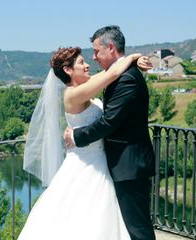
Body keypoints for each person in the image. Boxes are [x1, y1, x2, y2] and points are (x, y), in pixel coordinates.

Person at [18, 46, 151, 239]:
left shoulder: (85, 89)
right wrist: (132, 57)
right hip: (85, 164)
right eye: (81, 62)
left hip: (101, 161)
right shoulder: (72, 94)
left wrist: (136, 59)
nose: (88, 64)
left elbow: (110, 71)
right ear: (68, 70)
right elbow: (113, 72)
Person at [64, 25, 156, 240]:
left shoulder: (126, 78)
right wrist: (134, 58)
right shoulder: (119, 74)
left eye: (96, 51)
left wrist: (76, 136)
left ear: (111, 47)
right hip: (116, 164)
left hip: (129, 164)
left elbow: (108, 122)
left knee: (138, 230)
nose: (93, 58)